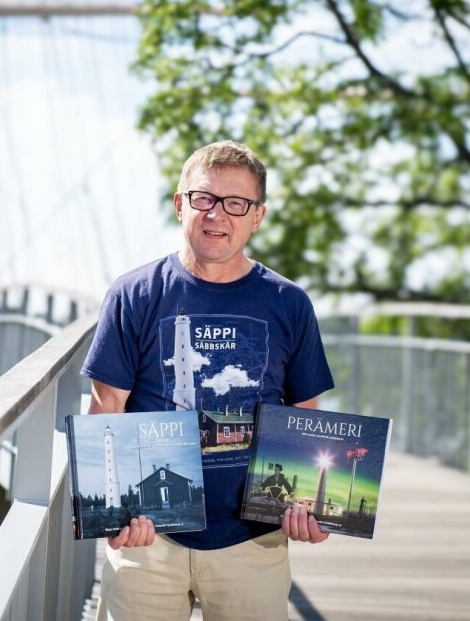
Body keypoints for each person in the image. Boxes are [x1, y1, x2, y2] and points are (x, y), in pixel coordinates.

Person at [81, 140, 334, 621]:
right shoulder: (134, 294)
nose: (218, 215)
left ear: (257, 216)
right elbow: (106, 408)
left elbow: (304, 417)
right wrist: (109, 515)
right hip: (148, 537)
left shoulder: (289, 303)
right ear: (181, 205)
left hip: (250, 540)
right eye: (204, 199)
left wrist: (311, 511)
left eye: (236, 203)